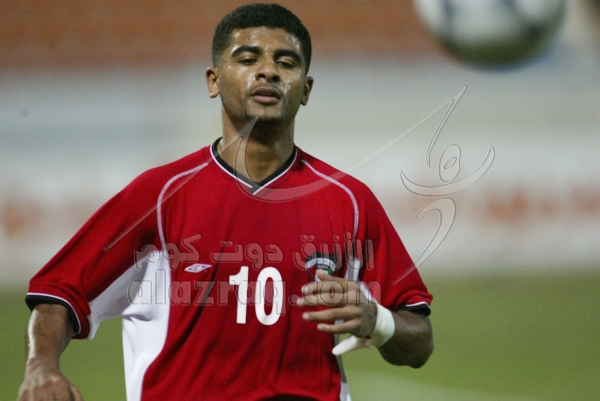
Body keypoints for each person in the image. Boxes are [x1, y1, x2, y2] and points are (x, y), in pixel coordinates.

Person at [18, 3, 433, 401]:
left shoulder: (349, 202)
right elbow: (59, 294)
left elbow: (419, 339)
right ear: (213, 81)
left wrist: (378, 321)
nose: (268, 71)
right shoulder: (159, 196)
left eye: (286, 62)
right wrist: (41, 366)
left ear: (306, 90)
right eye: (248, 58)